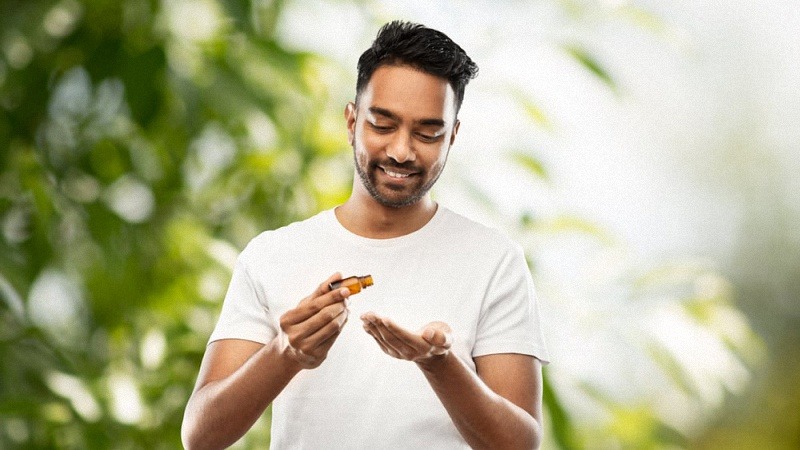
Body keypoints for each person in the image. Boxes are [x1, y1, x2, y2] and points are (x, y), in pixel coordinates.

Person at [181, 20, 549, 450]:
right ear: (352, 121)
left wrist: (439, 364)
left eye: (428, 133)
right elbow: (200, 436)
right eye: (382, 124)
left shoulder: (494, 260)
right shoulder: (271, 255)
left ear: (453, 137)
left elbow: (520, 444)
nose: (401, 151)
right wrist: (286, 354)